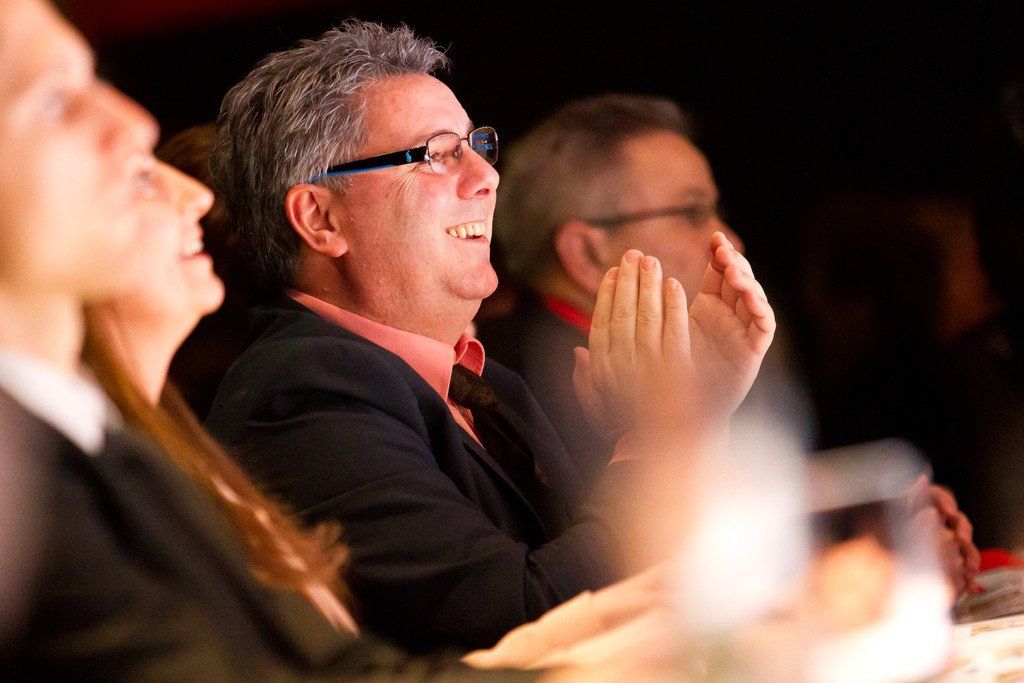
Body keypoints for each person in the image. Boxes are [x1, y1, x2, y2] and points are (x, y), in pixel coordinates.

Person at [206, 20, 775, 651]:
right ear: (321, 218)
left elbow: (618, 564)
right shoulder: (296, 399)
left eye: (475, 146)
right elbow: (525, 626)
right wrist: (658, 433)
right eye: (437, 153)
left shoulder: (485, 383)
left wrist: (697, 415)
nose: (486, 176)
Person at [0, 2, 524, 677]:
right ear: (317, 219)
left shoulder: (116, 443)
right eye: (51, 101)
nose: (133, 123)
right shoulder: (294, 396)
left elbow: (332, 667)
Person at [481, 93, 808, 491]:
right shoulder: (516, 398)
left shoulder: (705, 358)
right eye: (692, 213)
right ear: (586, 253)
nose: (731, 240)